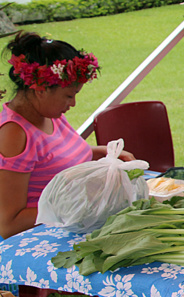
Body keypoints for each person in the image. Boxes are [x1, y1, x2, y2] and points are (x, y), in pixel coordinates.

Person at [0, 32, 135, 239]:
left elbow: (56, 158)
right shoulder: (14, 134)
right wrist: (79, 205)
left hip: (75, 221)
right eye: (69, 96)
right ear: (41, 89)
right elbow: (9, 224)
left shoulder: (47, 113)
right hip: (43, 237)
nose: (72, 104)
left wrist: (103, 154)